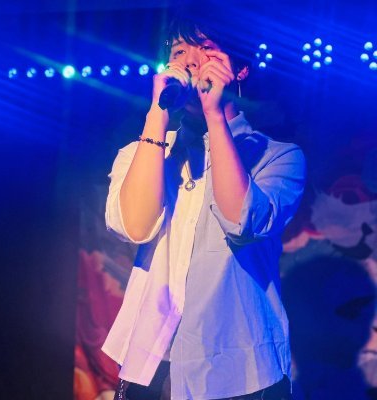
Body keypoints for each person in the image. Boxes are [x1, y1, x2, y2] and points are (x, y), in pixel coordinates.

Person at [102, 3, 306, 399]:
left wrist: (215, 118)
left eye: (207, 49)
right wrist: (158, 113)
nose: (191, 62)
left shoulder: (279, 156)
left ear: (239, 70)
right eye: (180, 51)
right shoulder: (143, 152)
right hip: (152, 362)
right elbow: (135, 226)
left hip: (239, 372)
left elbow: (241, 222)